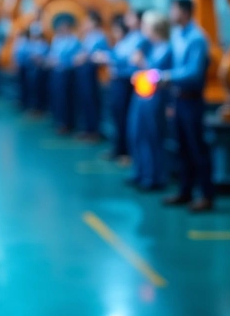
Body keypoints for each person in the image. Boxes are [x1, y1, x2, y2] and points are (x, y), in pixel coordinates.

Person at [159, 0, 215, 212]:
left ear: (183, 12)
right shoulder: (177, 36)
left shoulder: (197, 38)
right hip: (178, 98)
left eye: (173, 9)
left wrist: (167, 76)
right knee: (181, 147)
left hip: (192, 100)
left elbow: (194, 72)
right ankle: (185, 191)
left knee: (196, 148)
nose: (170, 13)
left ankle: (206, 195)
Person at [128, 11, 173, 190]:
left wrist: (143, 65)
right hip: (143, 96)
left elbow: (158, 73)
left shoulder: (166, 49)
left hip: (156, 98)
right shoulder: (151, 47)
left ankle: (155, 177)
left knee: (153, 137)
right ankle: (141, 172)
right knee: (137, 134)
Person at [94, 10, 146, 164]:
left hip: (127, 81)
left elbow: (127, 58)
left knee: (125, 117)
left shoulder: (140, 38)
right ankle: (118, 148)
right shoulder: (129, 37)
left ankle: (127, 152)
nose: (127, 19)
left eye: (131, 17)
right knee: (117, 116)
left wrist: (108, 57)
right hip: (117, 80)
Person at [74, 12, 110, 142]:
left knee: (92, 101)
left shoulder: (100, 36)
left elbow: (102, 55)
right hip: (84, 74)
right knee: (85, 101)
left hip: (93, 74)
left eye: (88, 21)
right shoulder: (88, 37)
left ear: (94, 22)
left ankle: (95, 131)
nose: (86, 24)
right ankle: (88, 129)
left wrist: (87, 57)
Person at [47, 13, 82, 135]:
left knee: (66, 99)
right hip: (56, 73)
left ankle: (66, 123)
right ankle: (58, 120)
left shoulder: (74, 41)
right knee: (56, 97)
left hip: (67, 74)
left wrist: (61, 61)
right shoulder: (57, 40)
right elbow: (52, 54)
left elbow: (74, 59)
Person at [23, 23, 50, 117]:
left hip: (40, 72)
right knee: (32, 90)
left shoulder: (43, 44)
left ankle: (39, 109)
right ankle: (33, 107)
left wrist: (38, 59)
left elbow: (44, 58)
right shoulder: (31, 44)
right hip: (31, 70)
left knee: (39, 90)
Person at [13, 29, 32, 112]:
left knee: (26, 86)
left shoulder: (28, 44)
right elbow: (16, 55)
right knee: (20, 85)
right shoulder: (19, 43)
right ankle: (21, 101)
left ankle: (26, 103)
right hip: (21, 67)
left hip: (27, 68)